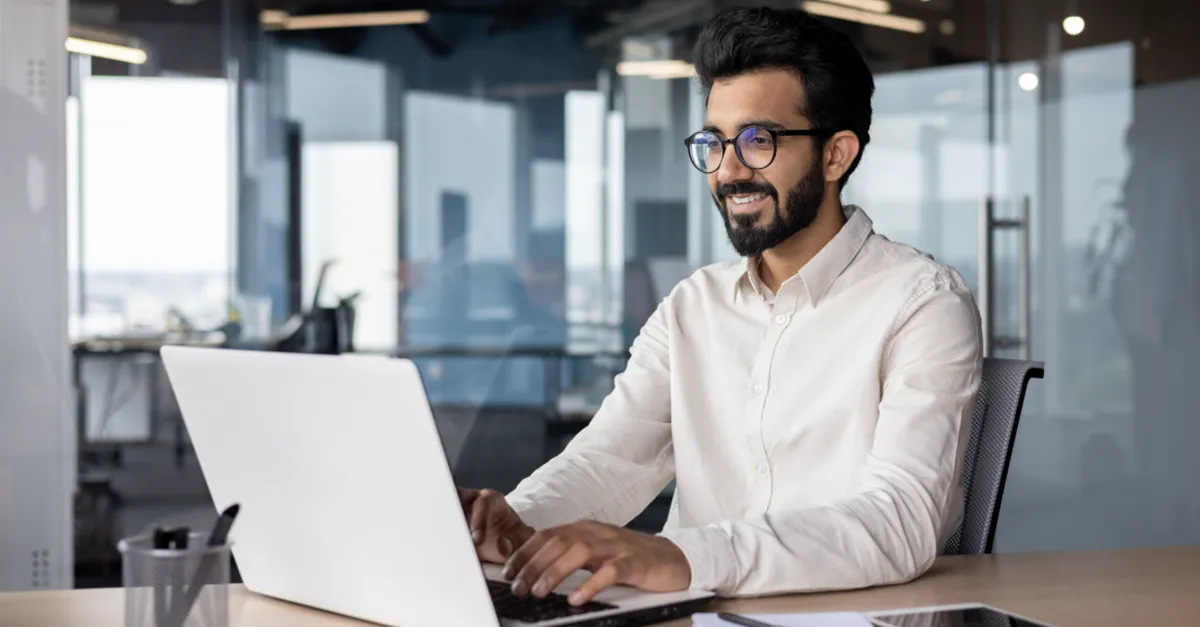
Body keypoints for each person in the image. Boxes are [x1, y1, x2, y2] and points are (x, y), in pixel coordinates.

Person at [458, 6, 983, 604]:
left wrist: (680, 555)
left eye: (759, 140)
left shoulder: (923, 303)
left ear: (836, 155)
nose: (728, 171)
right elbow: (609, 459)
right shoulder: (693, 306)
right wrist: (518, 525)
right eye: (714, 141)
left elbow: (900, 522)